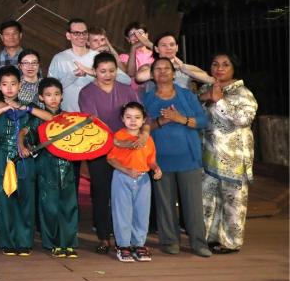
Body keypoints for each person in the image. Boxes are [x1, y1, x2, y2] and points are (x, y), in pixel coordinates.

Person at [142, 57, 211, 257]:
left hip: (188, 157)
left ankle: (199, 243)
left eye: (167, 68)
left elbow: (202, 121)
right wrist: (161, 121)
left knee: (193, 205)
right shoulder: (146, 99)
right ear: (152, 75)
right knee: (165, 203)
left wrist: (181, 119)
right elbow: (141, 127)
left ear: (174, 73)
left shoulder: (187, 95)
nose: (163, 71)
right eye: (158, 69)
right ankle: (169, 241)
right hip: (160, 160)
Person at [0, 66, 48, 256]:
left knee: (25, 198)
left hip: (24, 158)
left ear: (20, 85)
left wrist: (24, 110)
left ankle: (24, 242)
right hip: (1, 157)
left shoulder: (28, 107)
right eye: (5, 84)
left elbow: (45, 121)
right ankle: (6, 241)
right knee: (2, 200)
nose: (9, 88)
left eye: (13, 84)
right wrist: (2, 108)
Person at [78, 53, 141, 255]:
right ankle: (104, 237)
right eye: (103, 71)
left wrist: (144, 133)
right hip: (99, 150)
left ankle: (125, 238)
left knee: (125, 194)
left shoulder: (126, 90)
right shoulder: (87, 92)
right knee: (101, 193)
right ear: (94, 71)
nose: (108, 75)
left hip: (125, 150)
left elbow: (141, 115)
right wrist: (116, 141)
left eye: (112, 71)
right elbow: (94, 123)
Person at [199, 53, 258, 254]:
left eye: (225, 65)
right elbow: (195, 115)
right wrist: (203, 99)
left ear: (234, 68)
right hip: (208, 154)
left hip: (234, 157)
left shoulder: (243, 93)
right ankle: (208, 238)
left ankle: (231, 242)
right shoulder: (205, 89)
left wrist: (220, 101)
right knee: (207, 199)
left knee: (233, 201)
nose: (219, 68)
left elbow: (244, 119)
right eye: (215, 64)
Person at [28, 78, 80, 258]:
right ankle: (53, 242)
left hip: (67, 166)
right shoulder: (36, 118)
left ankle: (68, 243)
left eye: (57, 94)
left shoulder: (69, 117)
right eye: (48, 95)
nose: (53, 98)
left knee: (69, 205)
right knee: (49, 206)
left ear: (62, 96)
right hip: (45, 166)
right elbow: (30, 139)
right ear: (41, 98)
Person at [108, 102, 162, 263]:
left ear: (143, 120)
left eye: (137, 117)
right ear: (122, 118)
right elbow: (111, 159)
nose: (133, 121)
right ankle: (123, 245)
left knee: (142, 212)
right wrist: (126, 170)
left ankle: (139, 244)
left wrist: (156, 168)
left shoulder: (148, 139)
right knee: (122, 211)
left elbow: (151, 160)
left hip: (143, 179)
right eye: (129, 117)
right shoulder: (118, 137)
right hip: (122, 177)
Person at [49, 19, 132, 113]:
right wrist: (73, 76)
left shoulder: (99, 57)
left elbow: (126, 80)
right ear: (68, 35)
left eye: (84, 33)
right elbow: (50, 89)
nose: (81, 36)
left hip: (96, 115)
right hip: (68, 114)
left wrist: (96, 73)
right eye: (76, 33)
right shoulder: (59, 58)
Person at [133, 33, 214, 89]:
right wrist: (171, 65)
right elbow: (140, 77)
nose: (169, 48)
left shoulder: (185, 67)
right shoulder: (148, 67)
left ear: (177, 48)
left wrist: (185, 70)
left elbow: (211, 80)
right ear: (156, 49)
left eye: (172, 45)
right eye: (164, 45)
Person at [119, 22, 155, 88]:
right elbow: (131, 74)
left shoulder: (156, 54)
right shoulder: (124, 57)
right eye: (132, 34)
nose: (136, 36)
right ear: (128, 39)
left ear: (146, 35)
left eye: (140, 33)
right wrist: (133, 48)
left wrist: (148, 43)